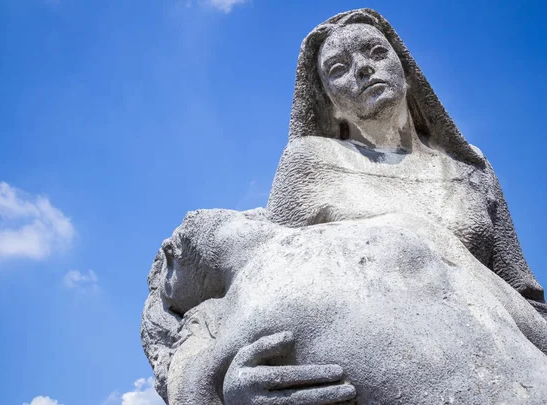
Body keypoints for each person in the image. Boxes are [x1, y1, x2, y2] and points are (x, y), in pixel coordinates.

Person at [142, 9, 547, 404]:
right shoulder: (309, 164)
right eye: (338, 68)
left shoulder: (469, 170)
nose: (364, 69)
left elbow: (525, 299)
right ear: (329, 102)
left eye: (375, 52)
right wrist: (226, 384)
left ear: (403, 65)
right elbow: (267, 286)